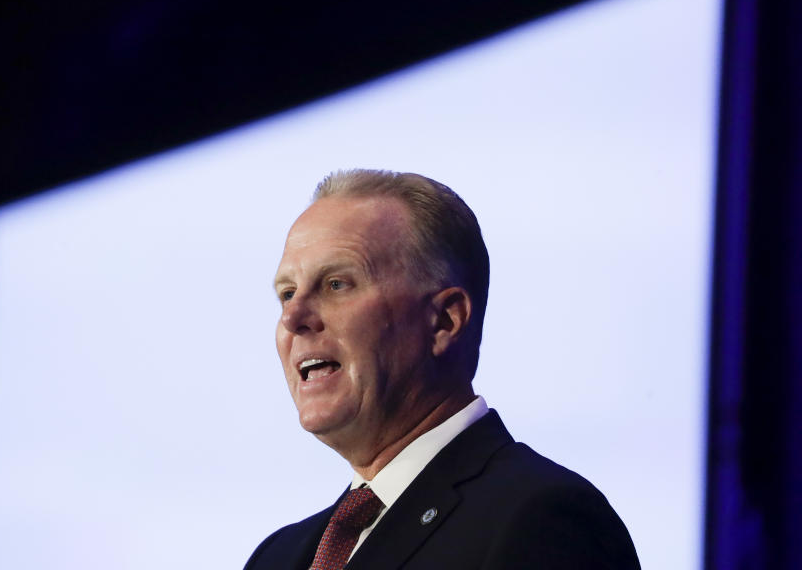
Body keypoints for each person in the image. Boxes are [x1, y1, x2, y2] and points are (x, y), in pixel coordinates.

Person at [245, 169, 641, 570]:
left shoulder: (542, 519)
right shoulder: (277, 558)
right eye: (287, 293)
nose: (293, 317)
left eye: (336, 284)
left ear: (445, 322)